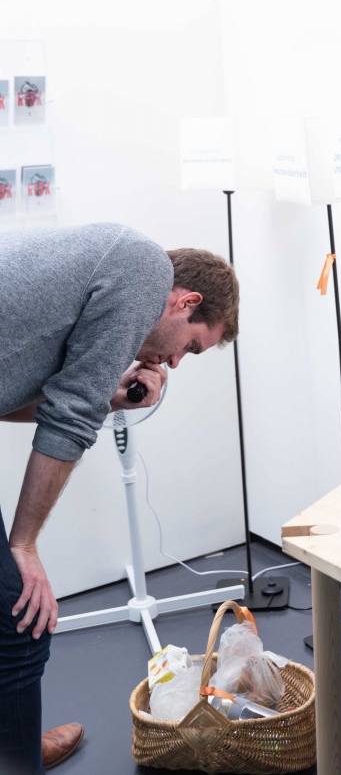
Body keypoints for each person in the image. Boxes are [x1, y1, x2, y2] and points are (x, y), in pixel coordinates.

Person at [0, 222, 239, 774]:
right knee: (18, 624)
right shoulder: (143, 268)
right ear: (186, 302)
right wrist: (24, 544)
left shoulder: (103, 261)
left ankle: (13, 743)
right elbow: (69, 417)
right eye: (191, 346)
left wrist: (106, 400)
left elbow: (16, 399)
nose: (175, 363)